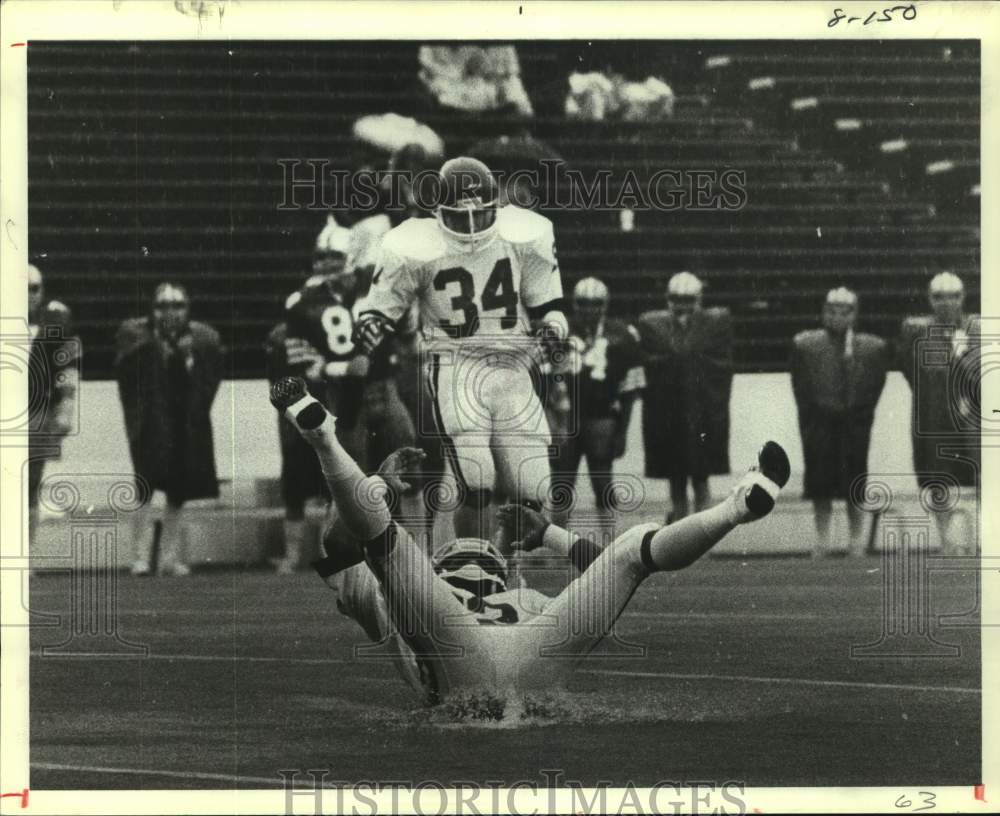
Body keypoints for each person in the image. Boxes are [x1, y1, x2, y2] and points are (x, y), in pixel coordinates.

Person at [270, 375, 790, 709]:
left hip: (463, 665)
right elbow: (336, 544)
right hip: (525, 665)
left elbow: (339, 545)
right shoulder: (512, 593)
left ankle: (324, 439)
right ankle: (736, 508)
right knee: (633, 549)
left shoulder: (419, 587)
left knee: (387, 540)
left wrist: (377, 488)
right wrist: (555, 538)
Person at [353, 156, 568, 541]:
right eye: (458, 217)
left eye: (480, 216)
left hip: (514, 366)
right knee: (476, 476)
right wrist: (371, 322)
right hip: (454, 362)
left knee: (532, 486)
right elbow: (380, 306)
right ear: (438, 212)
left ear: (495, 209)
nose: (470, 228)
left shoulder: (524, 235)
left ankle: (503, 566)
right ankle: (469, 564)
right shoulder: (415, 243)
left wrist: (554, 328)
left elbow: (547, 306)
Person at [265, 217, 415, 572]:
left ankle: (416, 546)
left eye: (333, 254)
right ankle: (344, 555)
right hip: (345, 397)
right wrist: (342, 368)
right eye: (320, 256)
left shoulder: (374, 286)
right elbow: (308, 365)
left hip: (384, 387)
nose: (326, 263)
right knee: (349, 477)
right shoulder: (302, 302)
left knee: (410, 463)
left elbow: (404, 326)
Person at [116, 283, 224, 576]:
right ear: (152, 310)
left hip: (184, 421)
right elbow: (129, 377)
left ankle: (168, 557)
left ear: (187, 309)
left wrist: (187, 359)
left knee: (178, 492)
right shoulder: (136, 336)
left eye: (177, 306)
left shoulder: (203, 339)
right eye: (163, 306)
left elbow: (209, 382)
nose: (170, 312)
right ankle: (138, 556)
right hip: (152, 421)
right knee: (145, 488)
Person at [791, 288, 889, 556]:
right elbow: (801, 387)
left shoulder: (870, 347)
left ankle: (856, 540)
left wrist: (858, 412)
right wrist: (815, 414)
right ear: (823, 312)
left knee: (854, 482)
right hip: (819, 424)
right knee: (820, 484)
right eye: (831, 311)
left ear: (855, 314)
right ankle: (822, 540)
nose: (837, 317)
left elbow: (874, 386)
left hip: (853, 423)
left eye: (844, 311)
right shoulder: (807, 345)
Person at [637, 271, 734, 522]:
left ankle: (703, 530)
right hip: (670, 415)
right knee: (676, 479)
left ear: (698, 299)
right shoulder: (654, 325)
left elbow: (718, 365)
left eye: (688, 299)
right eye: (677, 299)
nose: (682, 305)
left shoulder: (713, 324)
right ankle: (679, 530)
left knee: (701, 477)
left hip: (701, 414)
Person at [549, 277, 645, 524]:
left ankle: (609, 542)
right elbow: (545, 382)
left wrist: (622, 431)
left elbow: (630, 390)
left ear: (605, 304)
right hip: (565, 418)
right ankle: (557, 544)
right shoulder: (560, 332)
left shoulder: (622, 334)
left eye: (595, 303)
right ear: (574, 303)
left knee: (603, 483)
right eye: (583, 303)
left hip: (602, 418)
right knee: (561, 485)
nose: (589, 309)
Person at [898, 271, 980, 554]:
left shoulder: (977, 328)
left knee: (983, 476)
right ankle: (947, 540)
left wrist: (960, 357)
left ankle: (982, 537)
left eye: (953, 296)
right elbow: (911, 372)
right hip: (934, 415)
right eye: (939, 297)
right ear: (930, 300)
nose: (947, 303)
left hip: (972, 418)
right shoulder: (916, 331)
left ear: (963, 298)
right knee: (938, 478)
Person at [27, 263, 80, 544]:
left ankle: (25, 552)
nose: (28, 295)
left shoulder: (55, 321)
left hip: (37, 410)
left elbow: (68, 366)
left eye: (33, 289)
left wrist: (67, 406)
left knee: (30, 484)